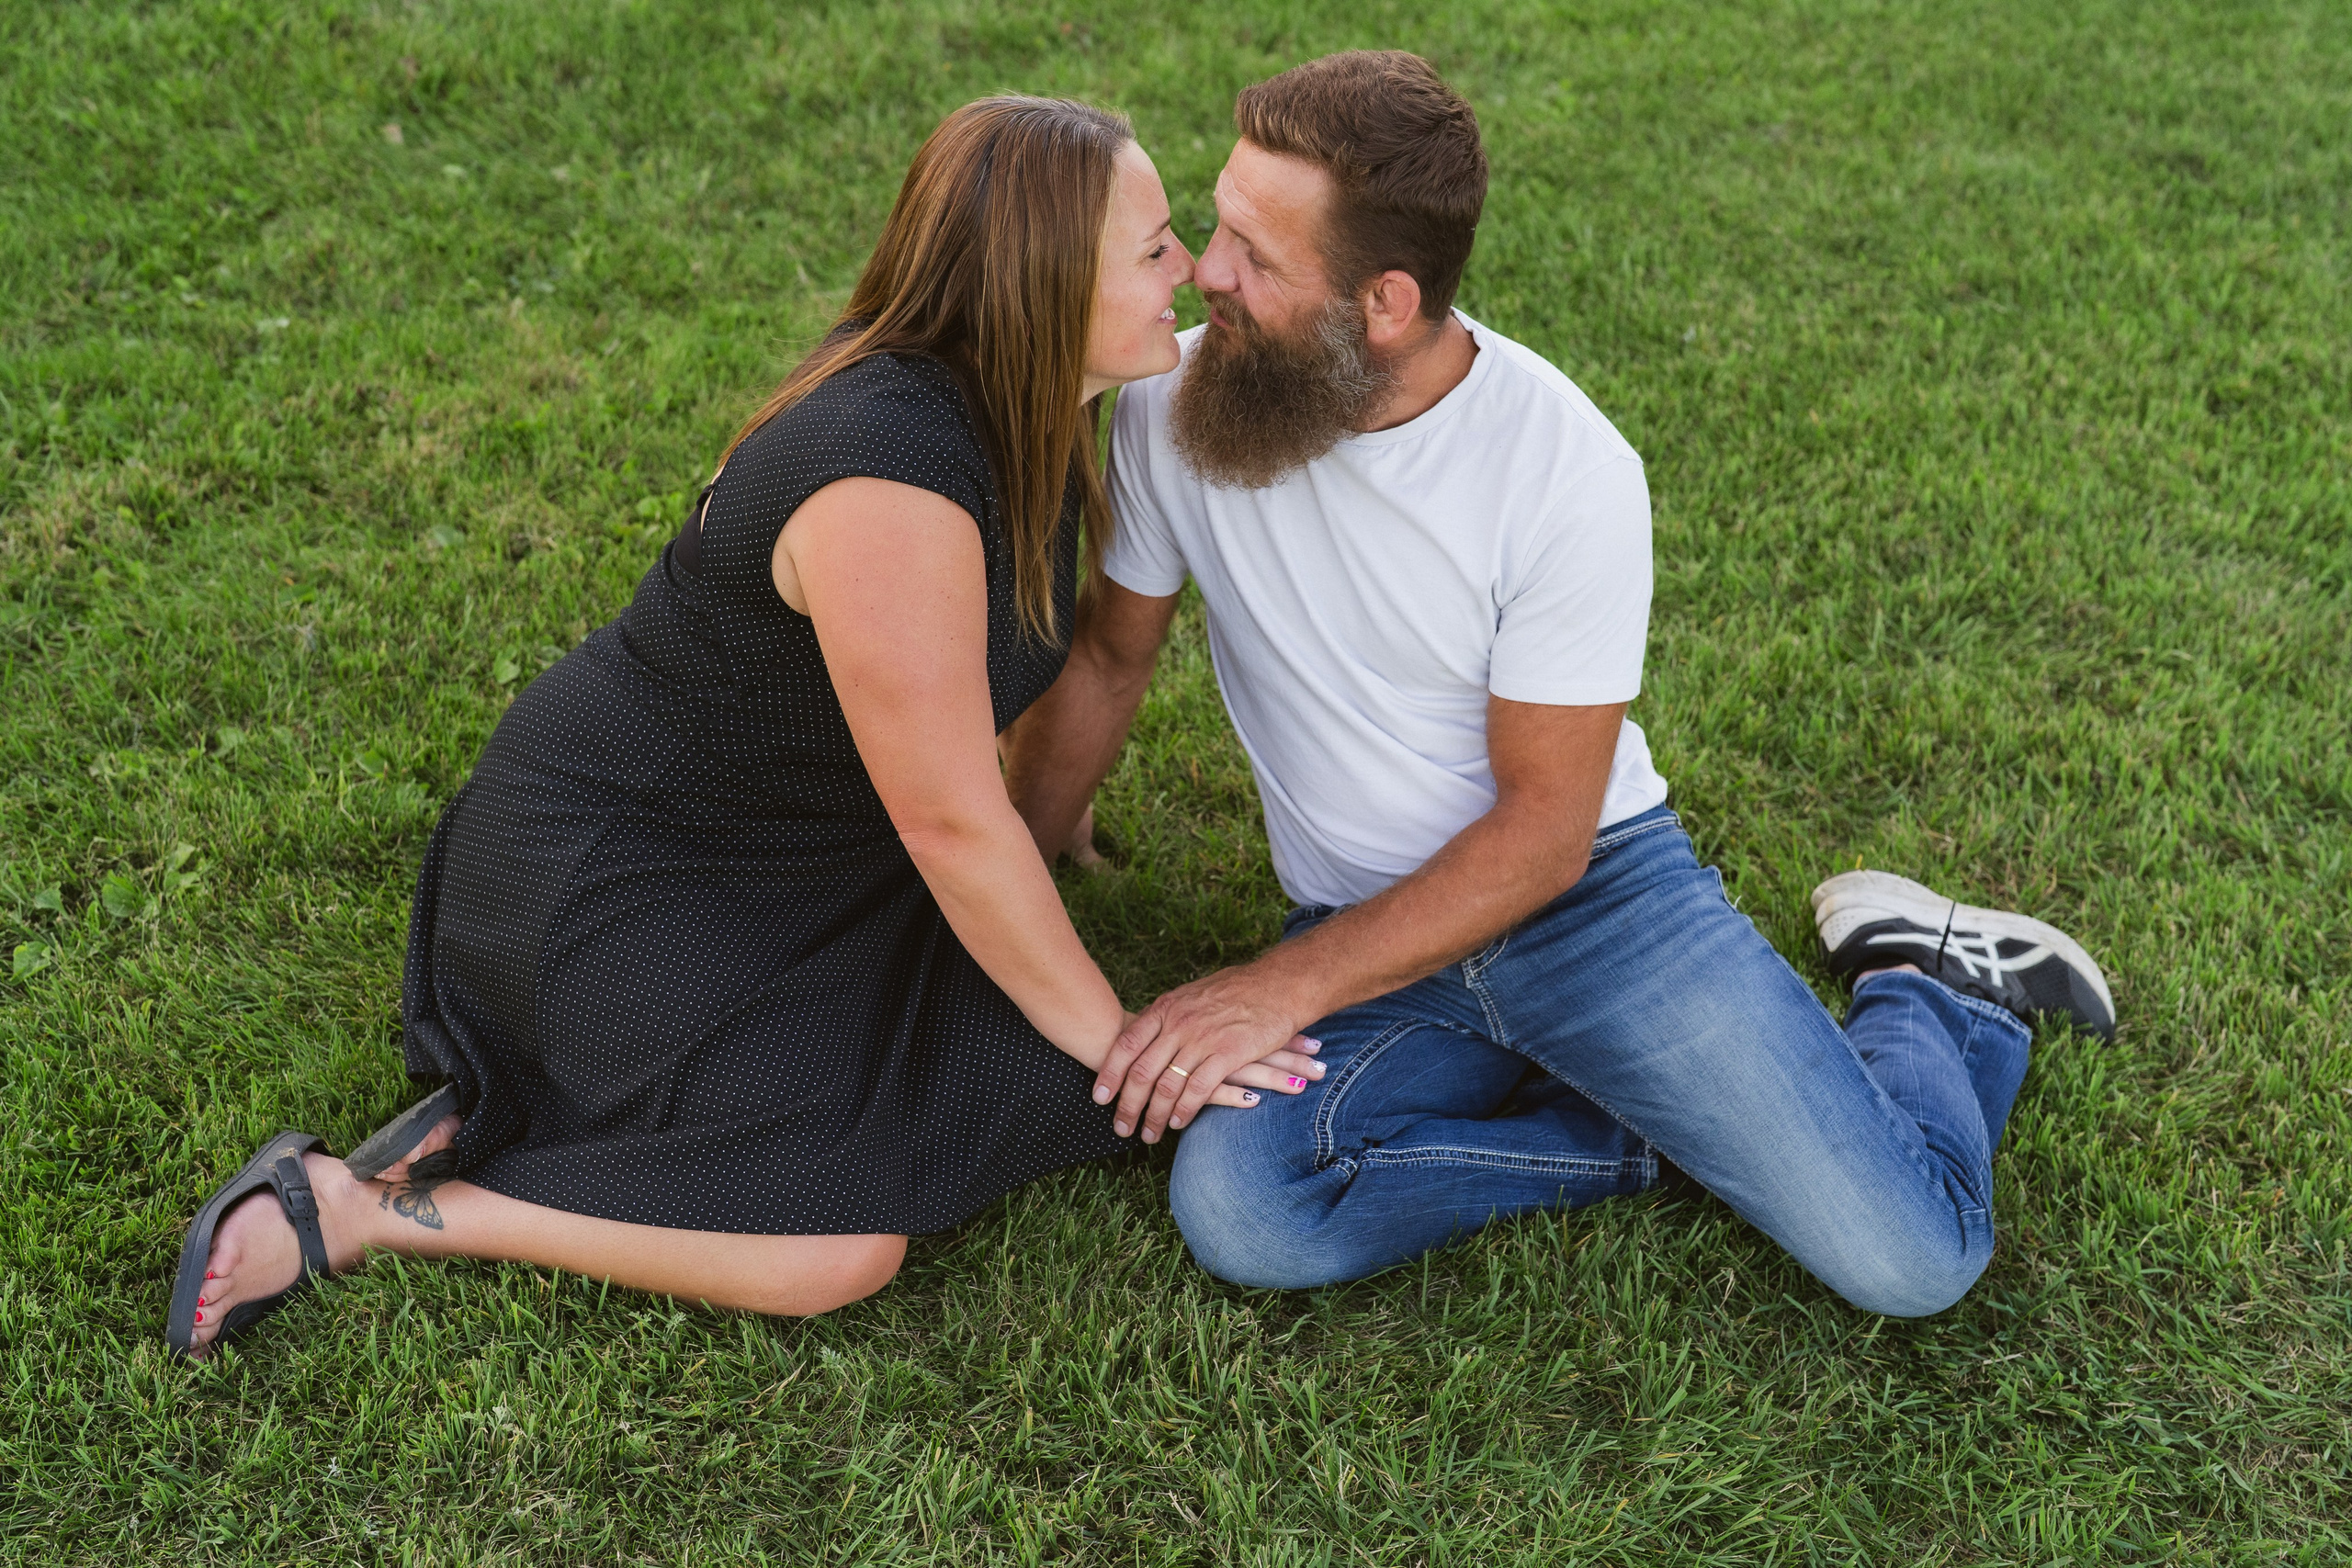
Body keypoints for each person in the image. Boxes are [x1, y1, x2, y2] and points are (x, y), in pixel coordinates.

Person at [164, 96, 1326, 1359]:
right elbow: (949, 822)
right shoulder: (889, 473)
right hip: (623, 882)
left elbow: (958, 703)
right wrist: (1120, 1048)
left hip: (802, 874)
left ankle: (546, 1107)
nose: (1194, 272)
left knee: (1033, 1084)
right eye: (1154, 247)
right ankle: (370, 1209)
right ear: (1042, 283)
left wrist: (1050, 831)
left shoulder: (1025, 404)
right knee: (835, 1247)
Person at [1003, 52, 2116, 1316]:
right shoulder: (1179, 409)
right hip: (1370, 930)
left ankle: (1936, 992)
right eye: (1216, 228)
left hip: (1596, 912)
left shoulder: (1562, 468)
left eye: (1256, 256)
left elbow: (1543, 836)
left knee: (1913, 1264)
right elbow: (1108, 657)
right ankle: (1663, 1136)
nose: (1205, 274)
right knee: (1248, 1209)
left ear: (1382, 302)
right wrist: (1012, 876)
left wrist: (1272, 991)